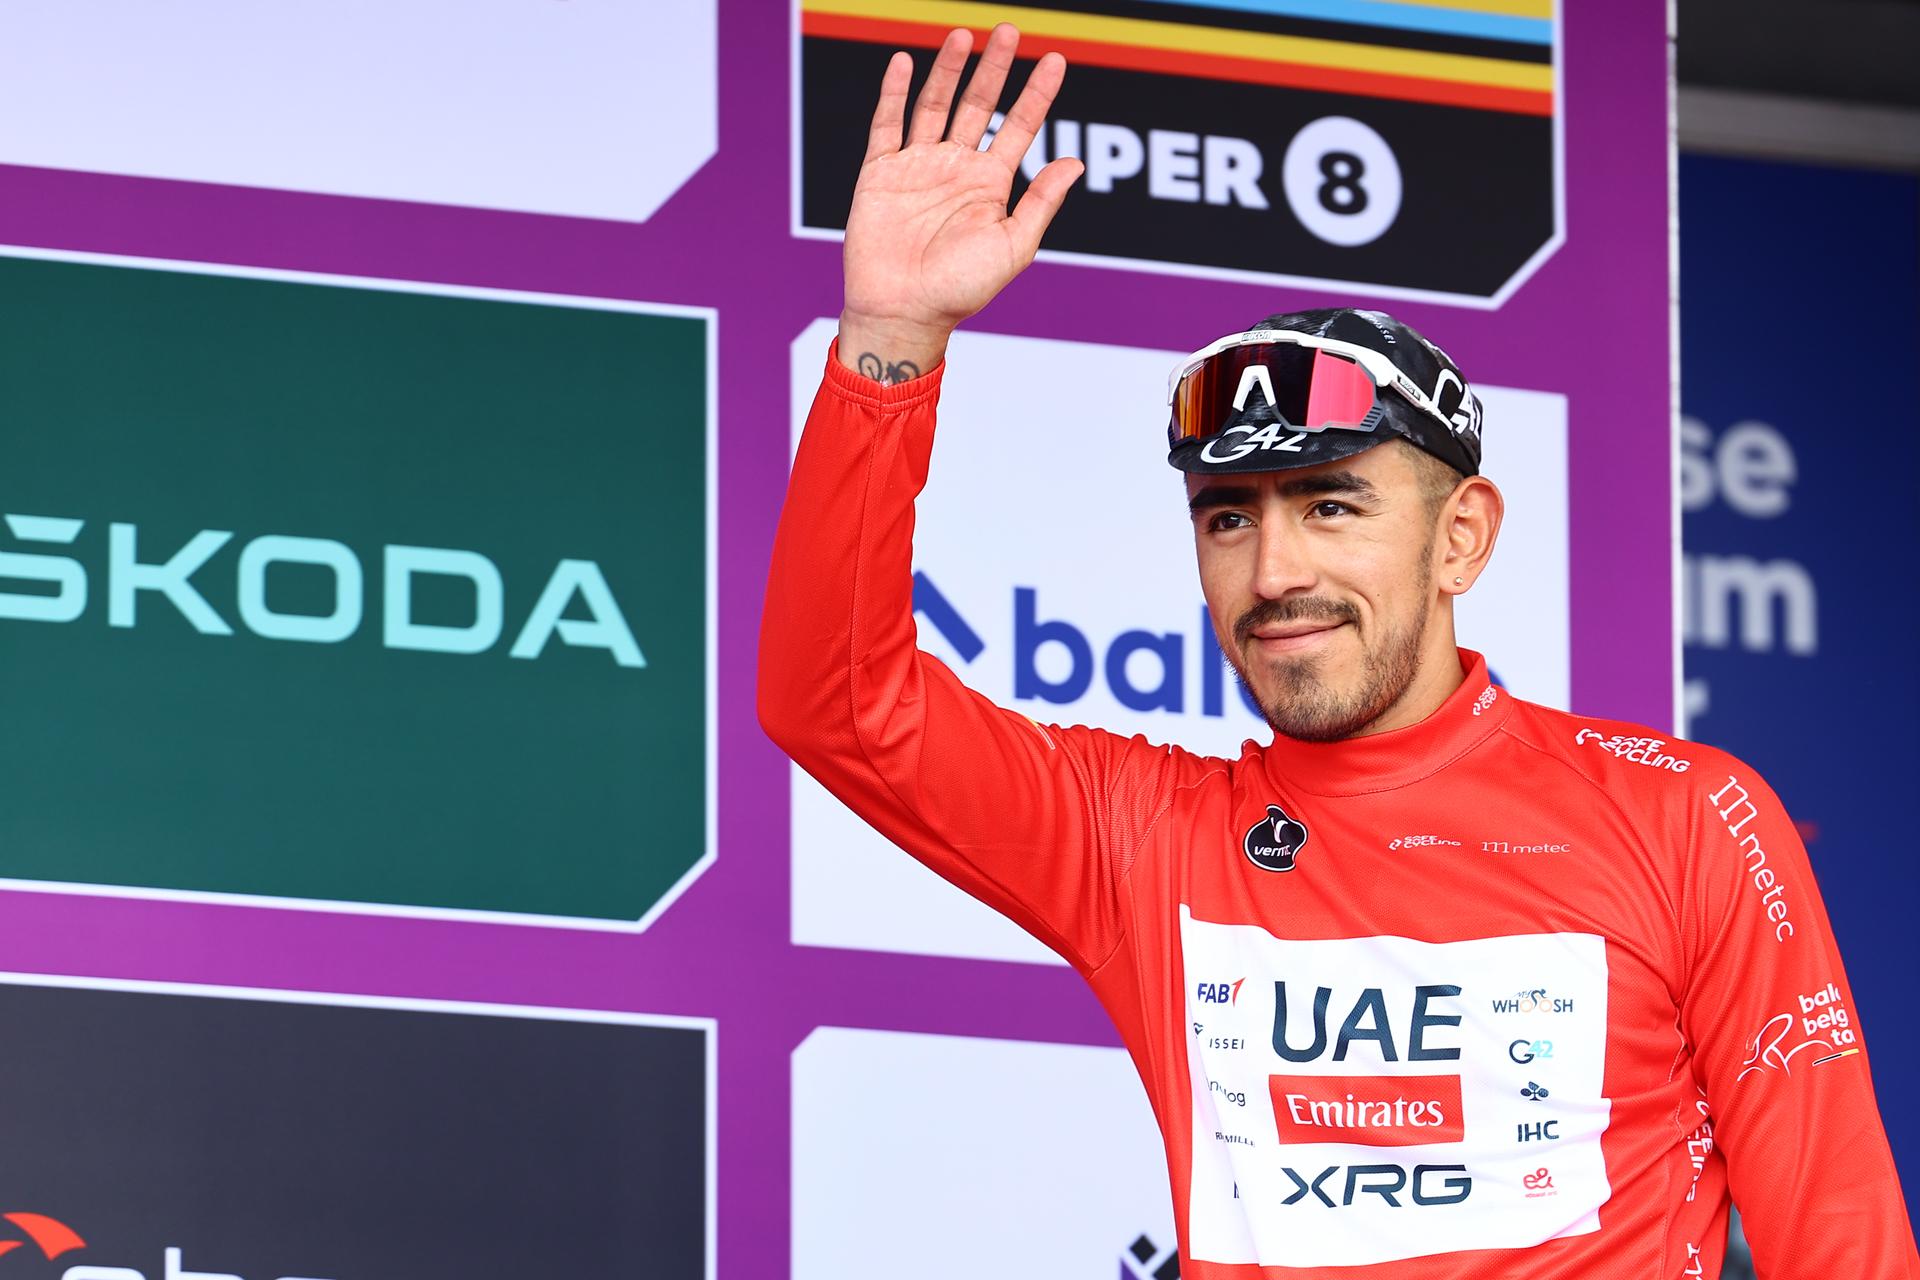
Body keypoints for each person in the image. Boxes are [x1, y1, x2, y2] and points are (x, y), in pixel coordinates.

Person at [758, 23, 1917, 1278]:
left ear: (1461, 536)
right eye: (1227, 518)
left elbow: (1840, 1233)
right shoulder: (1149, 840)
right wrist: (890, 341)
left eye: (1331, 504)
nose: (1275, 573)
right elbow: (839, 700)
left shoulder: (1690, 818)